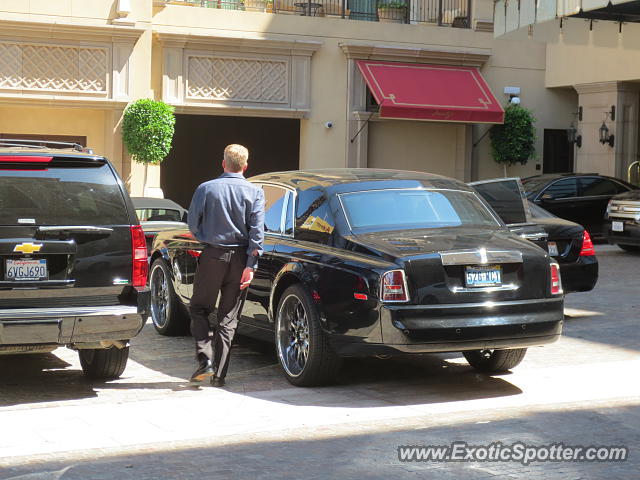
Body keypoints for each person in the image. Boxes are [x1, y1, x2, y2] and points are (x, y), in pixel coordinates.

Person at [187, 144, 265, 387]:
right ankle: (219, 375)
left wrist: (206, 238)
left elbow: (192, 223)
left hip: (213, 256)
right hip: (241, 259)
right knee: (228, 319)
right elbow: (257, 233)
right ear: (245, 166)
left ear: (223, 164)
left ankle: (205, 360)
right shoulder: (255, 192)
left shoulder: (206, 189)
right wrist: (250, 265)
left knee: (199, 309)